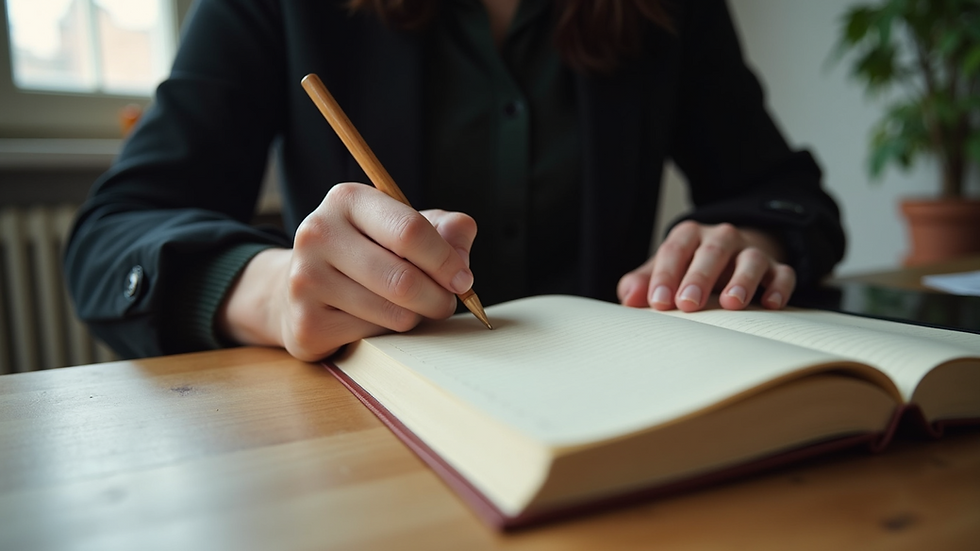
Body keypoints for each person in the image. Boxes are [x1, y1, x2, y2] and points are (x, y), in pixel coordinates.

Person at [64, 0, 845, 362]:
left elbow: (787, 193)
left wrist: (750, 239)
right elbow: (112, 237)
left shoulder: (667, 9)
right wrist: (272, 290)